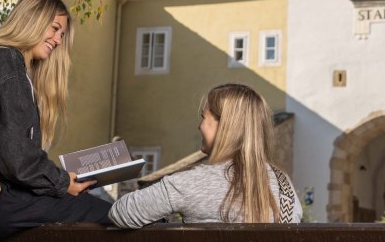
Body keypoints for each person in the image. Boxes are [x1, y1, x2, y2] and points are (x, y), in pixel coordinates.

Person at [0, 0, 111, 239]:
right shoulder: (5, 61)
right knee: (115, 215)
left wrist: (61, 184)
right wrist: (62, 182)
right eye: (54, 28)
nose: (57, 40)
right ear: (32, 20)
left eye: (62, 34)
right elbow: (16, 156)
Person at [108, 83, 302, 227]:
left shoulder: (194, 182)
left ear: (225, 126)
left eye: (204, 118)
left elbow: (121, 213)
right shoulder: (283, 185)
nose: (200, 126)